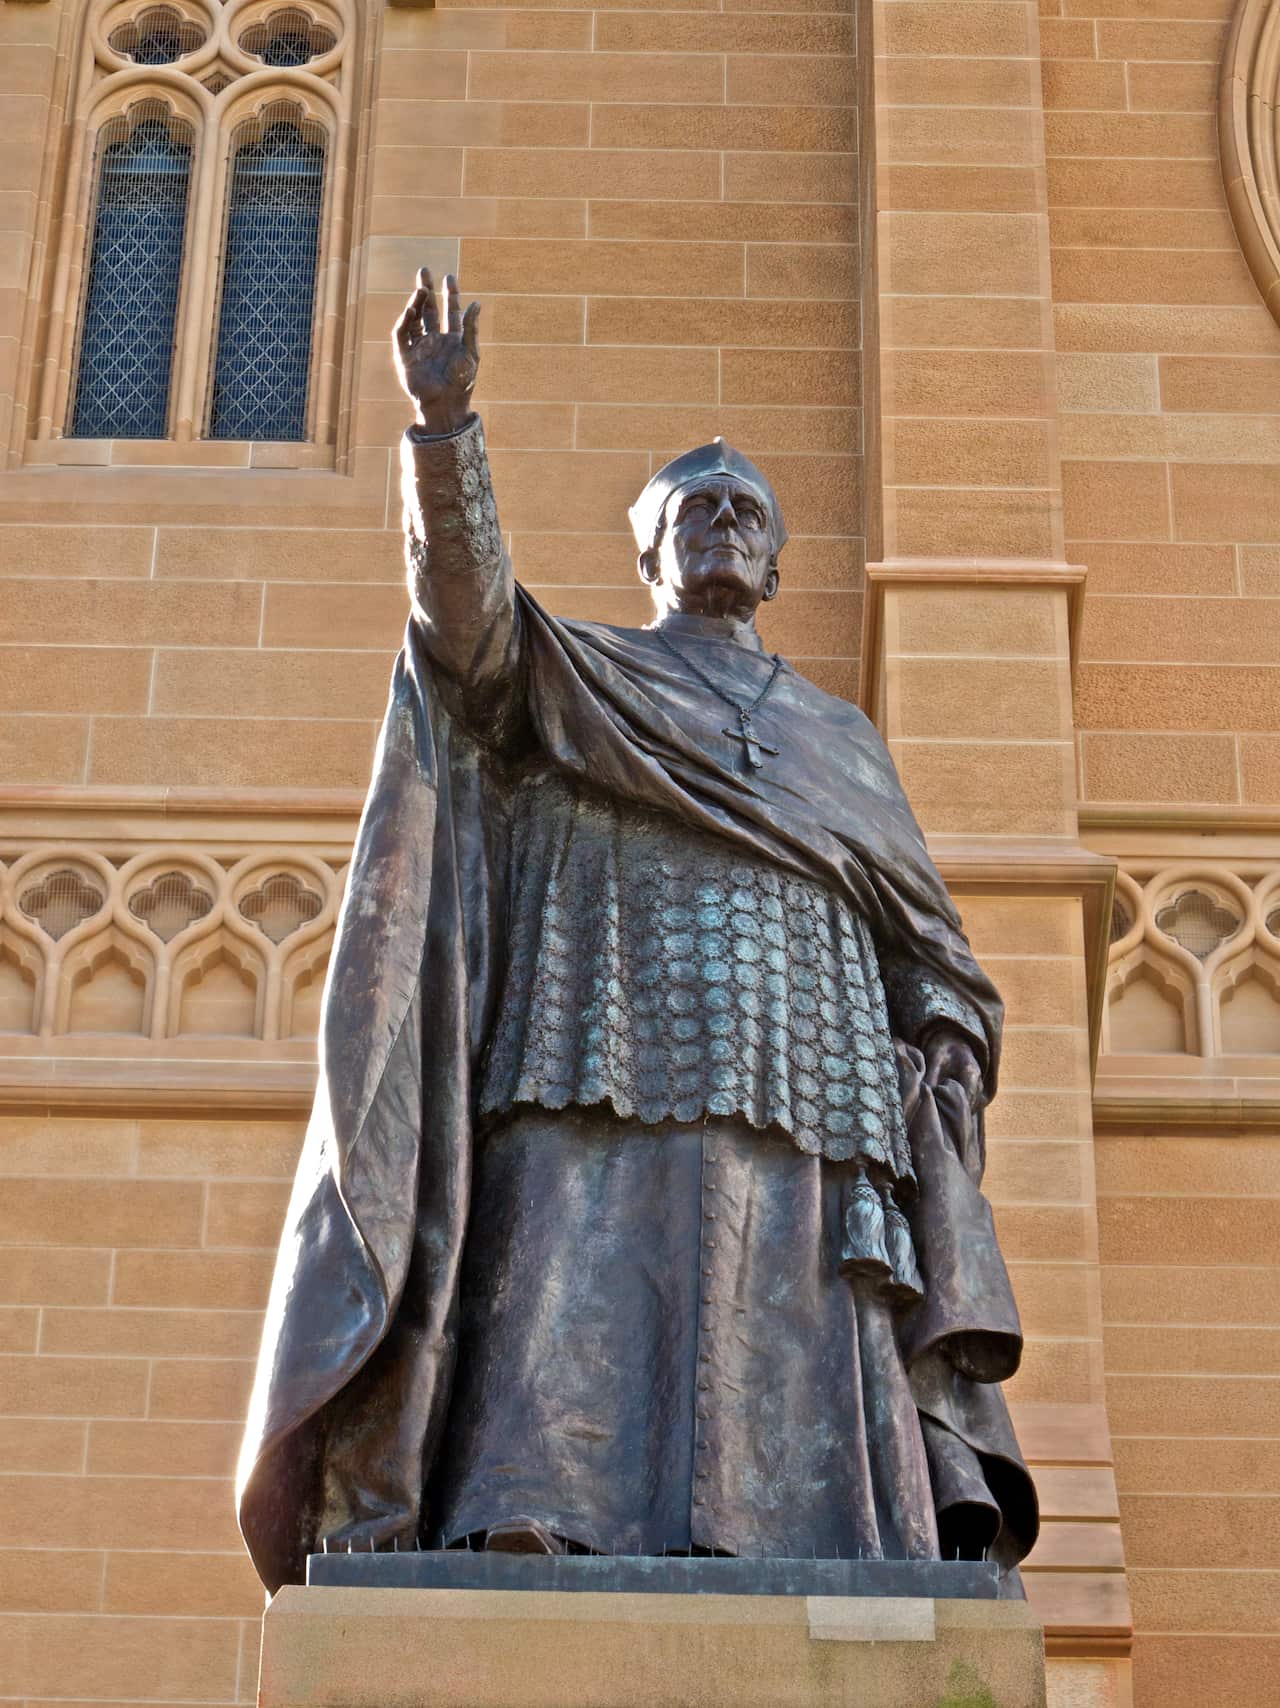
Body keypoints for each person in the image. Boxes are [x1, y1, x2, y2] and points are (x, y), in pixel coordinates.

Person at [237, 270, 1038, 1595]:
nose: (723, 522)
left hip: (815, 1071)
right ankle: (527, 1509)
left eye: (746, 511)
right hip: (597, 1023)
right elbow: (469, 629)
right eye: (693, 510)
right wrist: (444, 438)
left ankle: (831, 1527)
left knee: (790, 1299)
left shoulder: (843, 739)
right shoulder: (585, 674)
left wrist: (944, 1051)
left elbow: (931, 952)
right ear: (651, 555)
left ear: (775, 562)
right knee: (570, 1264)